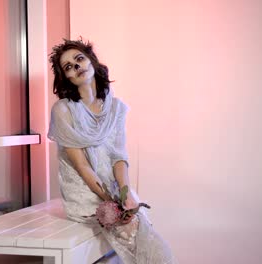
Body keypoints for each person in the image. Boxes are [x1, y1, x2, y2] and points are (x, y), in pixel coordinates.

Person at [48, 39, 177, 263]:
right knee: (132, 229)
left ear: (92, 62)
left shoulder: (115, 107)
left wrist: (125, 194)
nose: (76, 66)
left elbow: (119, 157)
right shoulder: (63, 110)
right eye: (68, 66)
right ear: (65, 77)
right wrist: (112, 203)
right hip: (85, 192)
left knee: (144, 225)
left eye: (79, 59)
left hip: (115, 188)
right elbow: (82, 166)